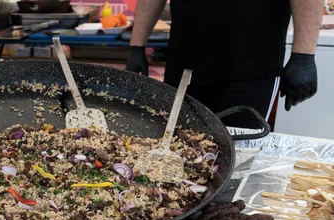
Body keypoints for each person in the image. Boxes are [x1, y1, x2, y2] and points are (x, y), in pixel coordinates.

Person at [126, 0, 321, 130]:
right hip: (184, 63)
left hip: (250, 66)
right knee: (177, 149)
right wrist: (137, 45)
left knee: (241, 155)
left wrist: (303, 54)